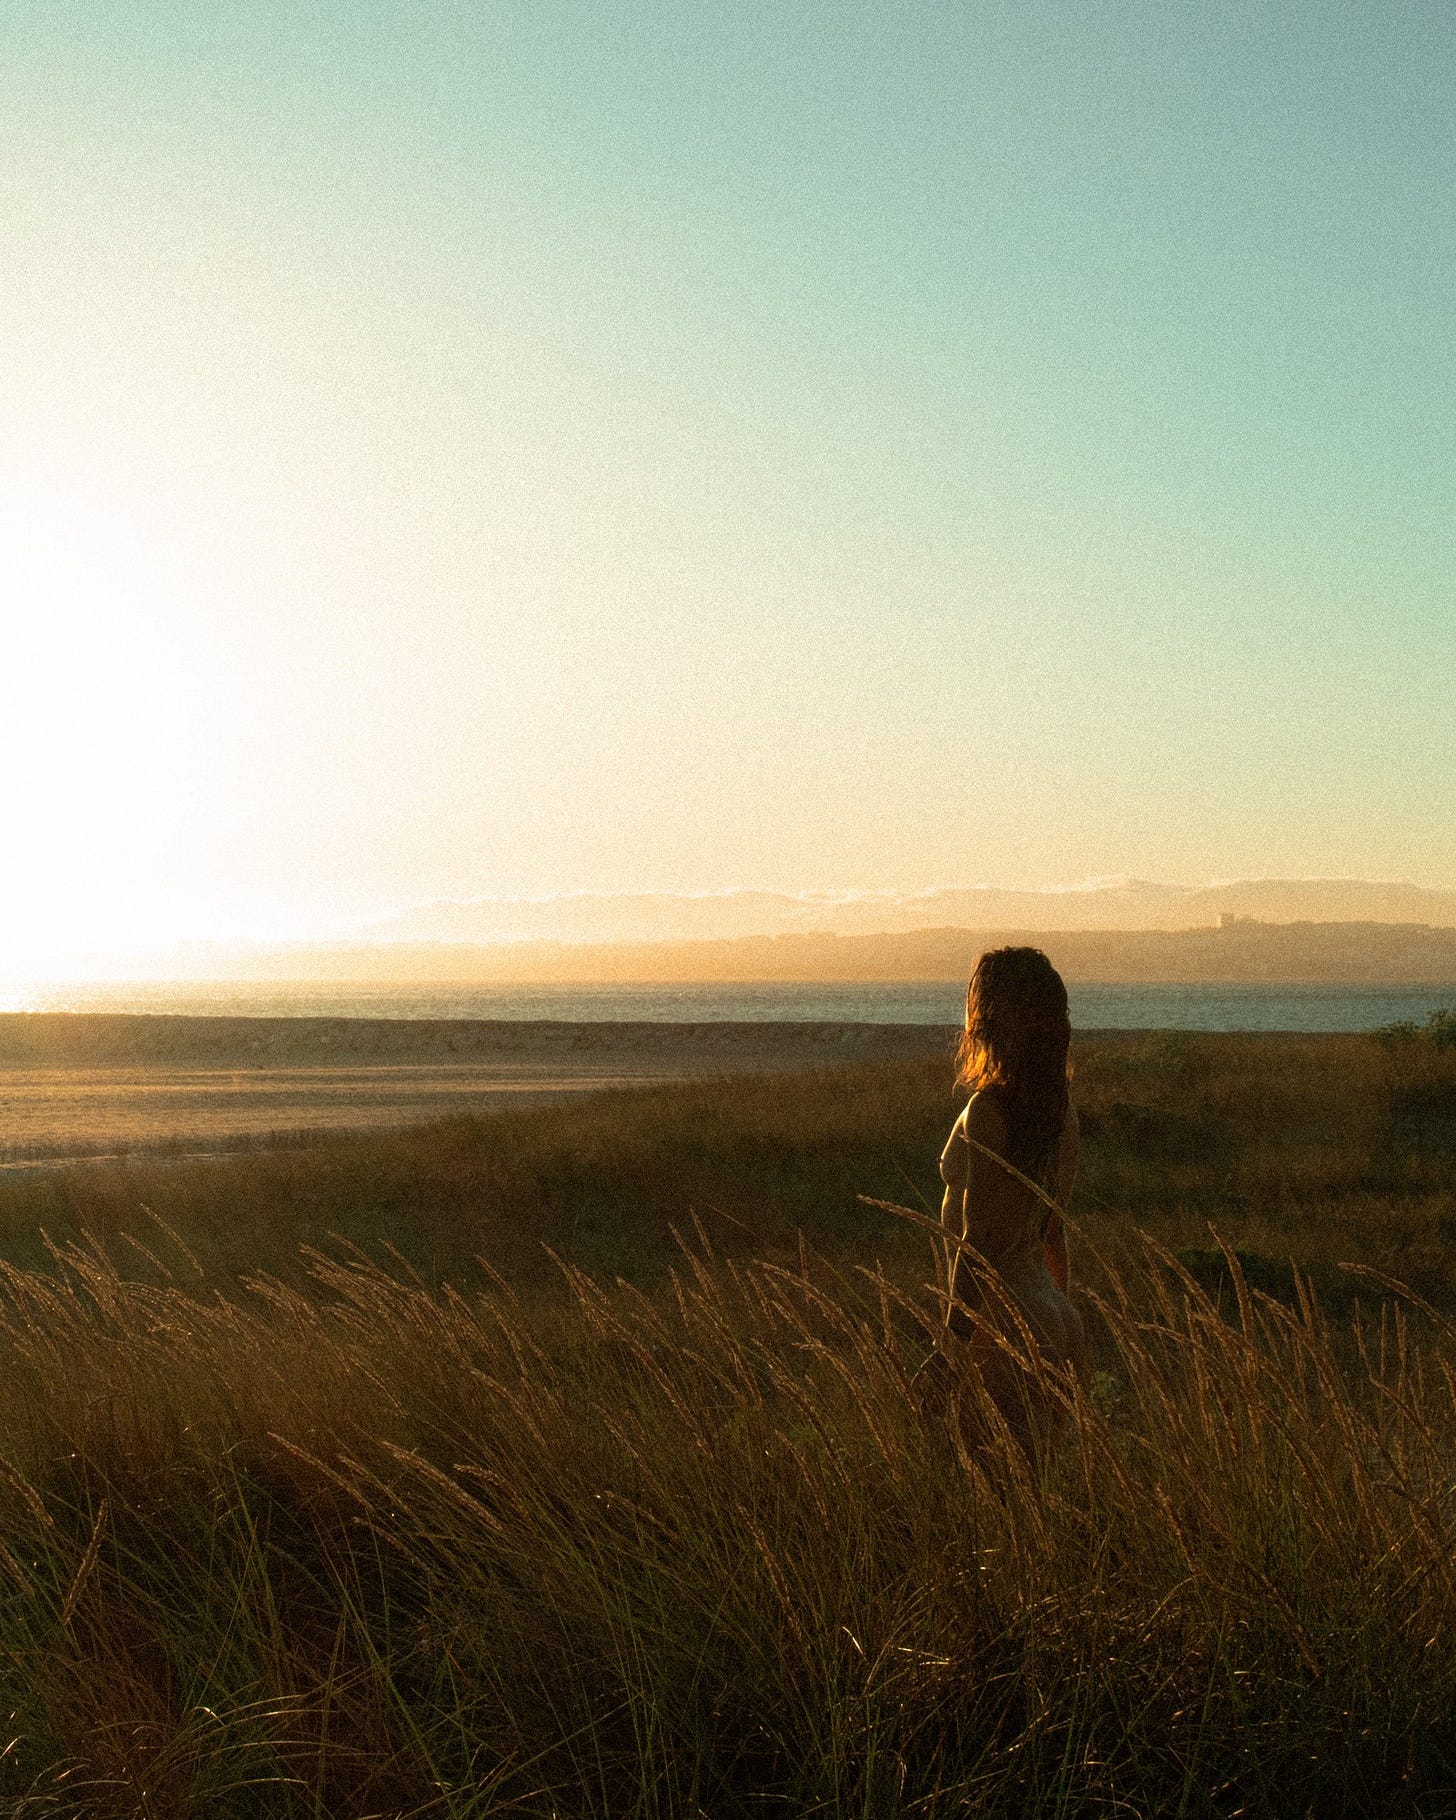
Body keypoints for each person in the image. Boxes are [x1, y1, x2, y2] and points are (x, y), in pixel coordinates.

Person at [934, 946, 1087, 1452]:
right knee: (1034, 1492)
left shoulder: (987, 1110)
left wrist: (948, 1346)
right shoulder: (1060, 1115)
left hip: (1006, 1321)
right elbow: (1053, 1237)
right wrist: (1067, 1330)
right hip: (1056, 1316)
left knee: (992, 1490)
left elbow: (975, 1242)